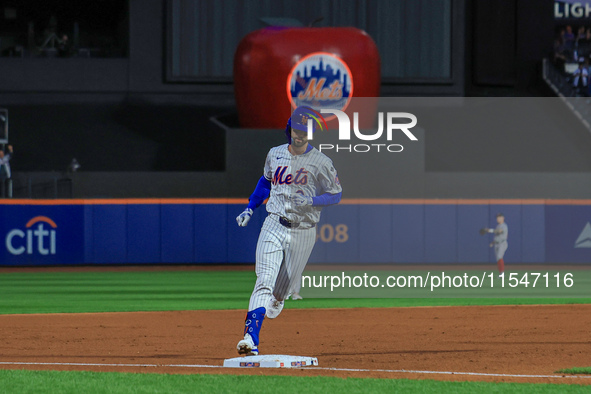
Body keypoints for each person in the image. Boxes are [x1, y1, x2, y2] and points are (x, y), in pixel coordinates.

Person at [234, 106, 342, 356]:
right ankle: (250, 339)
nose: (300, 134)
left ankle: (280, 297)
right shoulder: (275, 154)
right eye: (297, 129)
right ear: (289, 129)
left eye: (305, 131)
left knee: (281, 289)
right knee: (263, 281)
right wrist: (250, 207)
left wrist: (314, 201)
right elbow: (265, 182)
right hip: (274, 223)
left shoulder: (321, 162)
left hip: (304, 231)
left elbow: (336, 194)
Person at [485, 213, 508, 277]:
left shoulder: (504, 225)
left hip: (502, 243)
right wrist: (493, 242)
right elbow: (497, 236)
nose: (498, 218)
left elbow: (499, 231)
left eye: (499, 217)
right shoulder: (498, 226)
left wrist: (489, 230)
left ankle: (502, 273)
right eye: (497, 217)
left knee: (499, 257)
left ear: (503, 218)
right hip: (497, 243)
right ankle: (501, 273)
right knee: (498, 259)